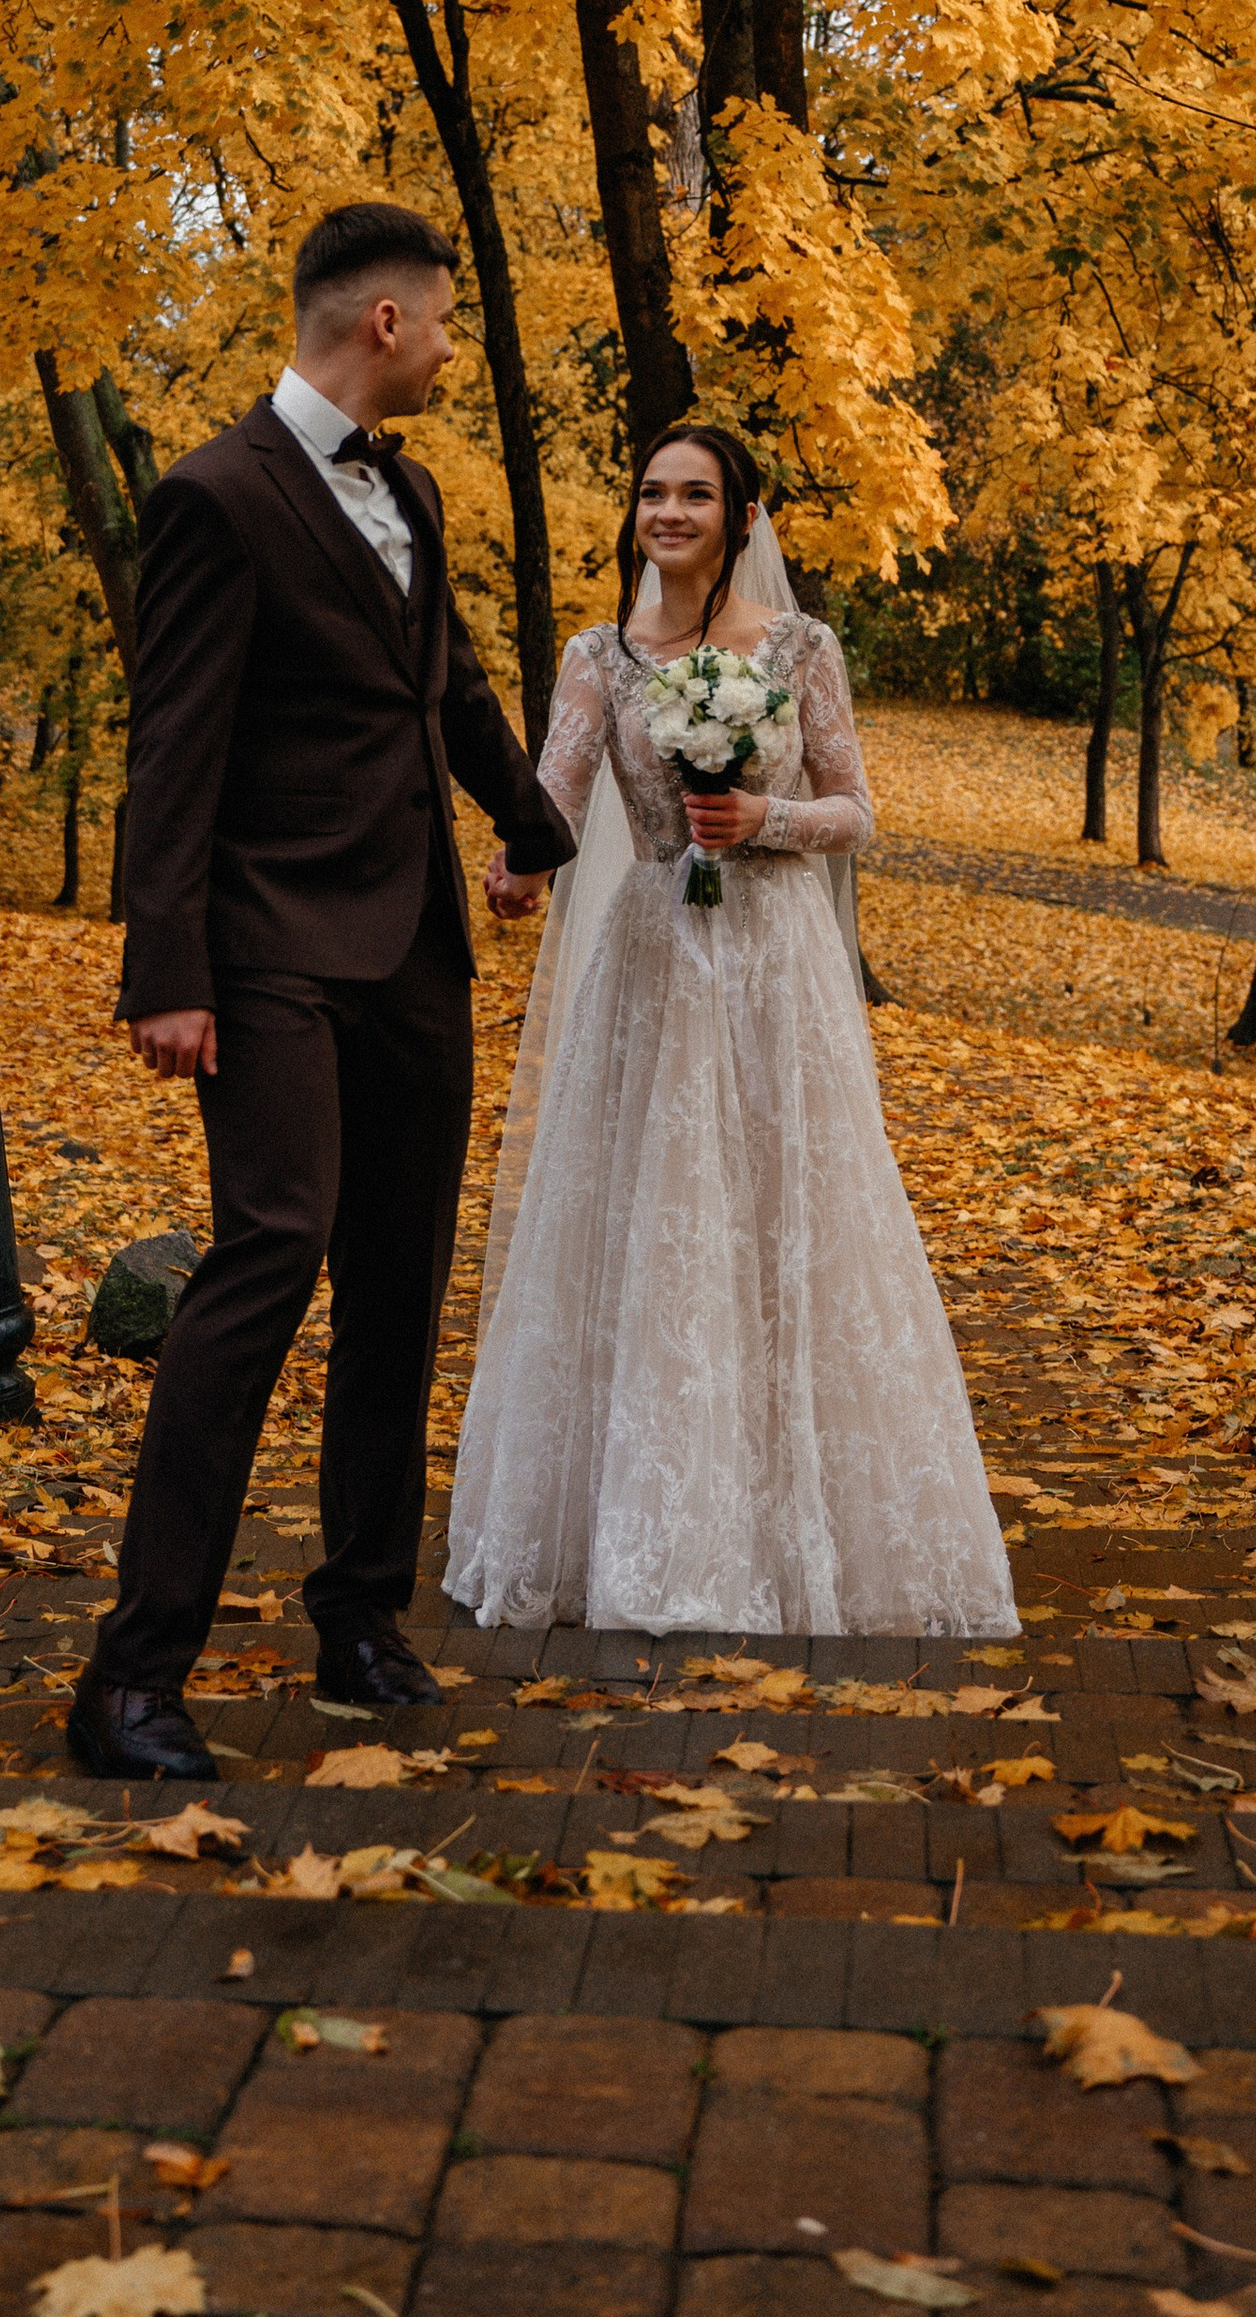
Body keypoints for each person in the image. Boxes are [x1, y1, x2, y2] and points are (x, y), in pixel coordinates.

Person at [70, 200, 579, 1782]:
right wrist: (169, 971)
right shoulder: (214, 499)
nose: (448, 346)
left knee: (400, 1288)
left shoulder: (411, 492)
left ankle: (361, 1622)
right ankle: (132, 1677)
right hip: (272, 946)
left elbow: (458, 687)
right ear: (380, 323)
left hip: (415, 947)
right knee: (270, 1254)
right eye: (441, 320)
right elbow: (176, 752)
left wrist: (535, 825)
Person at [447, 422, 1014, 1639]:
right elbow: (553, 792)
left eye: (692, 494)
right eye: (651, 491)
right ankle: (650, 1519)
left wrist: (761, 817)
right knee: (652, 1215)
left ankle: (790, 1507)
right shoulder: (598, 655)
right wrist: (515, 860)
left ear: (739, 515)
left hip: (775, 961)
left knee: (779, 1213)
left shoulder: (802, 647)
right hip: (653, 955)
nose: (666, 511)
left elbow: (855, 812)